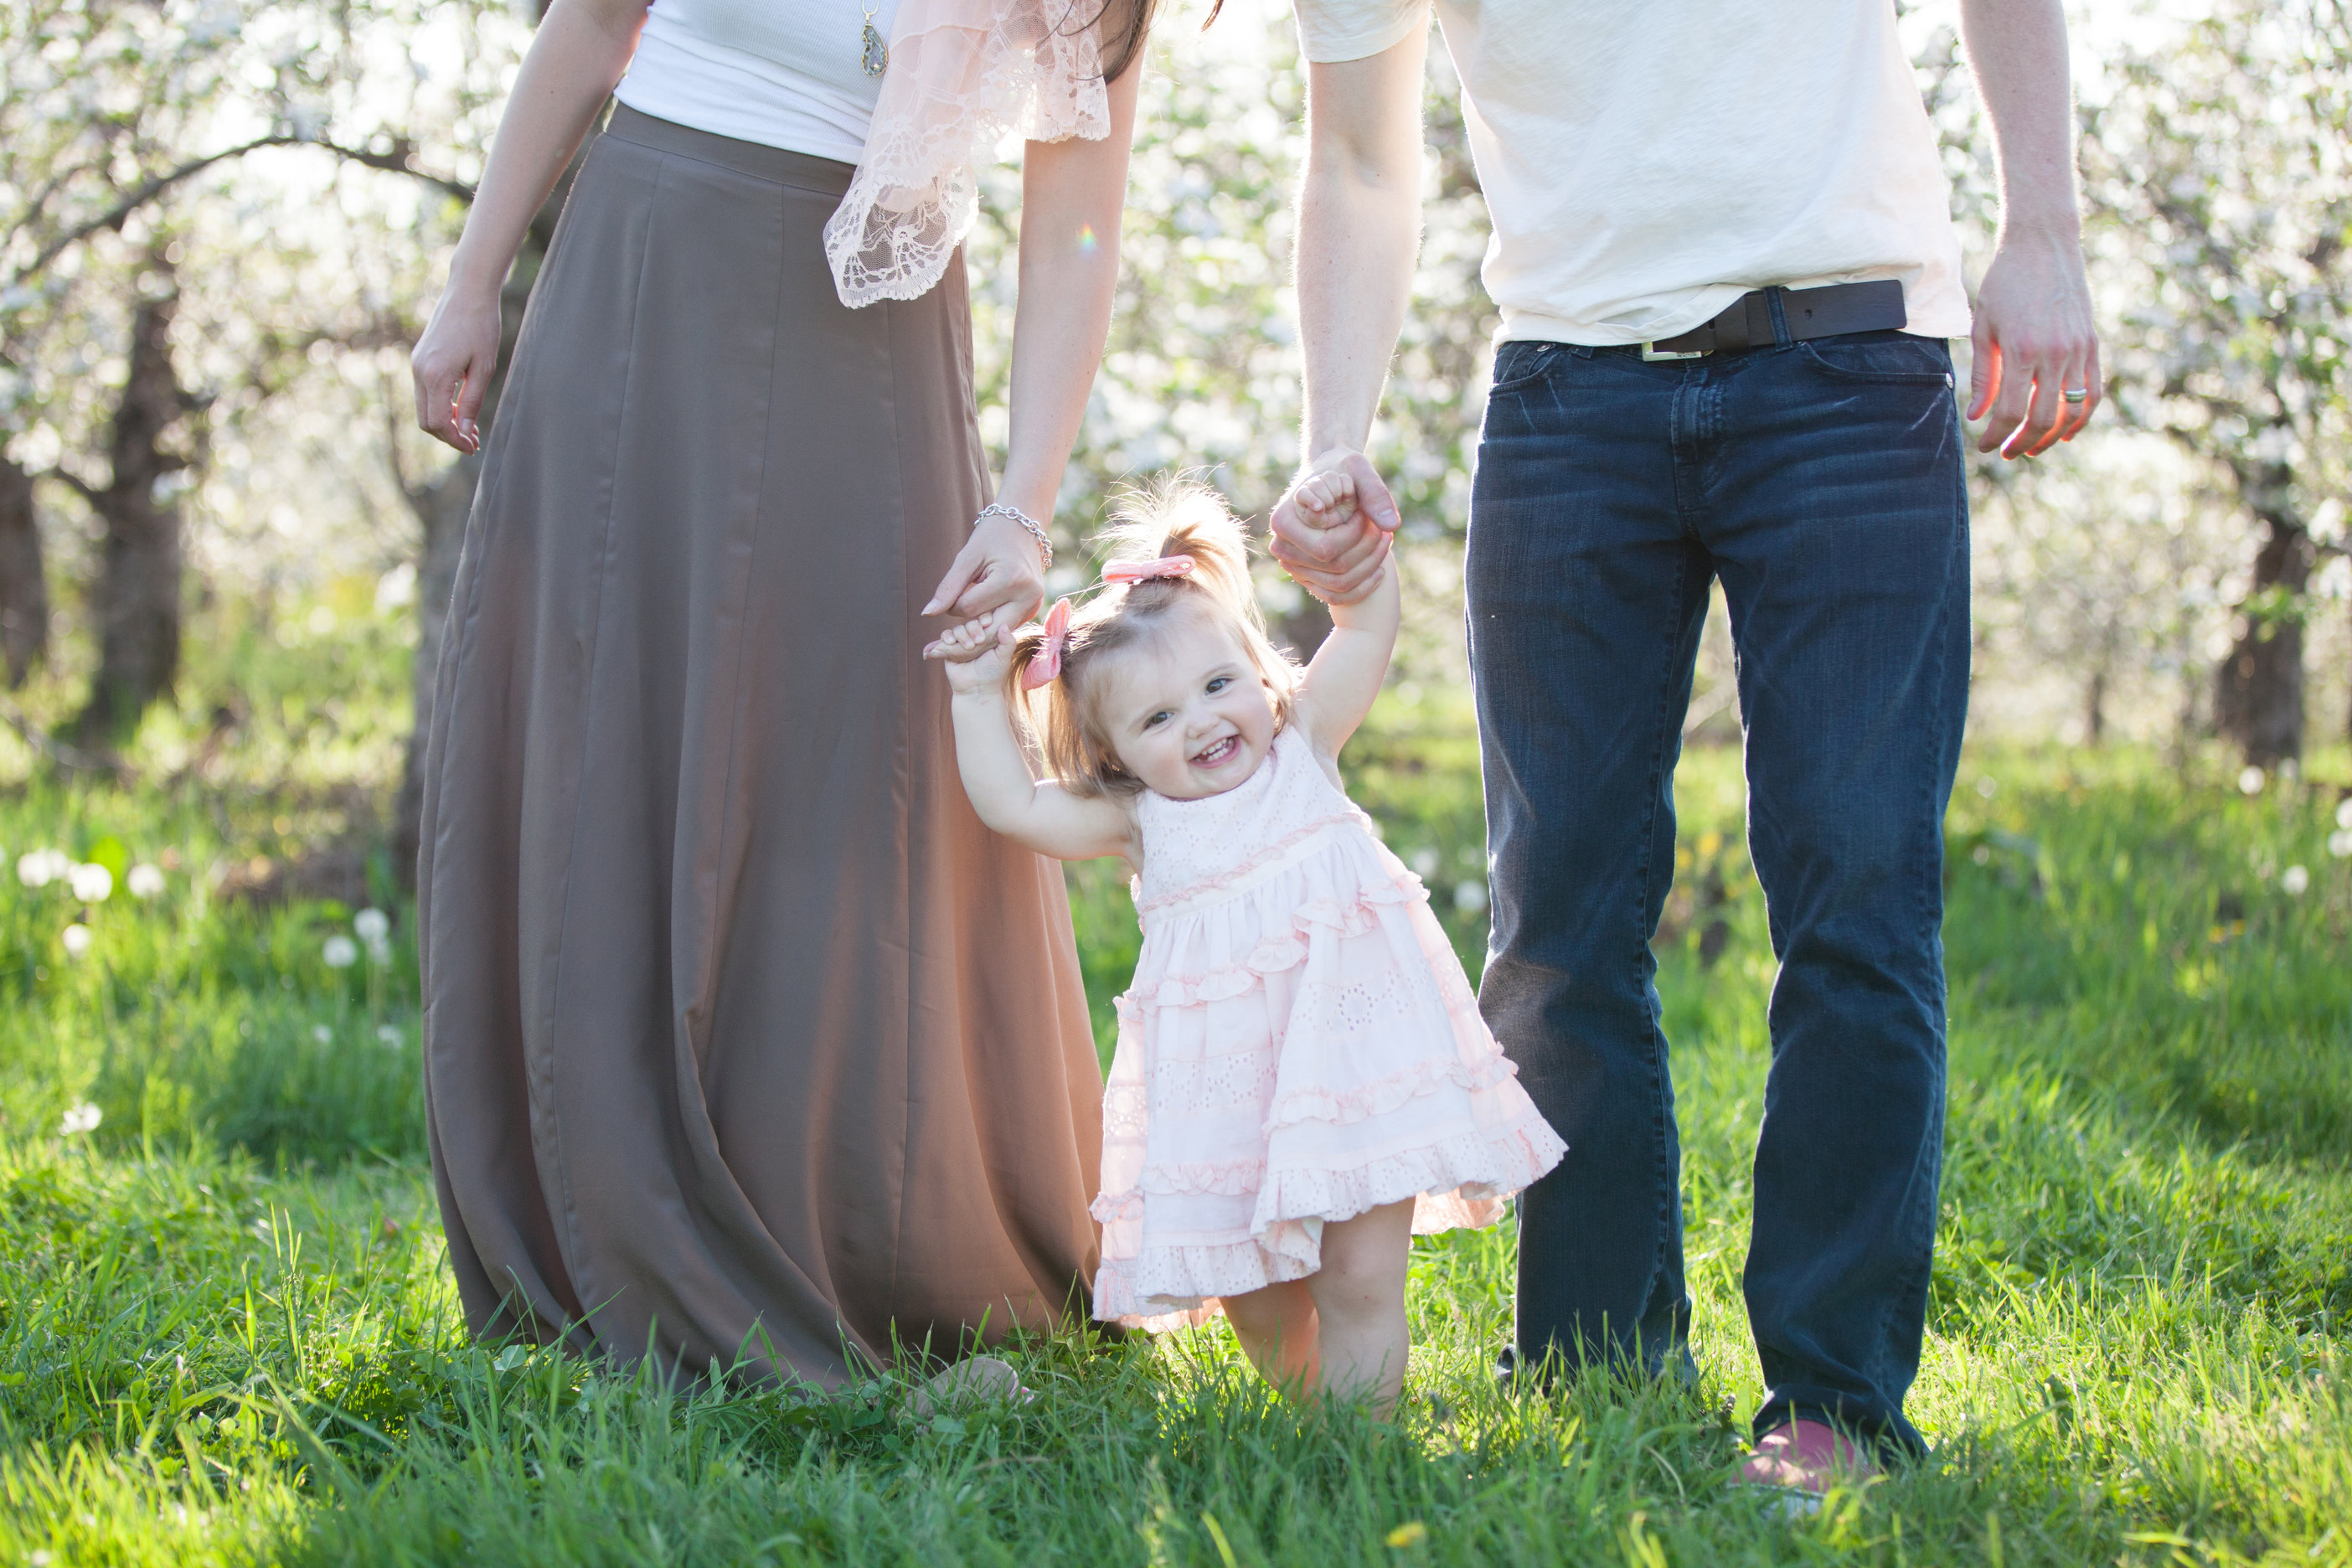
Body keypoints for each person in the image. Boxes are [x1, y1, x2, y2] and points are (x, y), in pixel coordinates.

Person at [1264, 0, 2100, 1492]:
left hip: (1850, 362)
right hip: (1564, 392)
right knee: (1557, 917)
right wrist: (1335, 430)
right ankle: (1595, 1373)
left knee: (1856, 893)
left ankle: (1834, 1404)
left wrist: (2041, 225)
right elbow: (1359, 163)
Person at [405, 0, 1153, 1389]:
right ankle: (596, 1204)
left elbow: (1076, 228)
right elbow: (589, 31)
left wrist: (1023, 509)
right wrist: (470, 287)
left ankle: (863, 1232)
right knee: (608, 724)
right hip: (639, 282)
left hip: (871, 335)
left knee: (855, 763)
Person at [923, 478, 1564, 1412]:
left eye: (1218, 685)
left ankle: (1364, 1450)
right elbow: (1013, 804)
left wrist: (1354, 560)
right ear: (1115, 757)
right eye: (1158, 719)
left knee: (1357, 1280)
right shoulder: (1141, 821)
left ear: (1261, 675)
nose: (1202, 722)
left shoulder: (1304, 746)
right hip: (1221, 1104)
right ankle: (1310, 1418)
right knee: (1257, 1306)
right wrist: (978, 692)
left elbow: (1364, 631)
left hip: (1353, 1075)